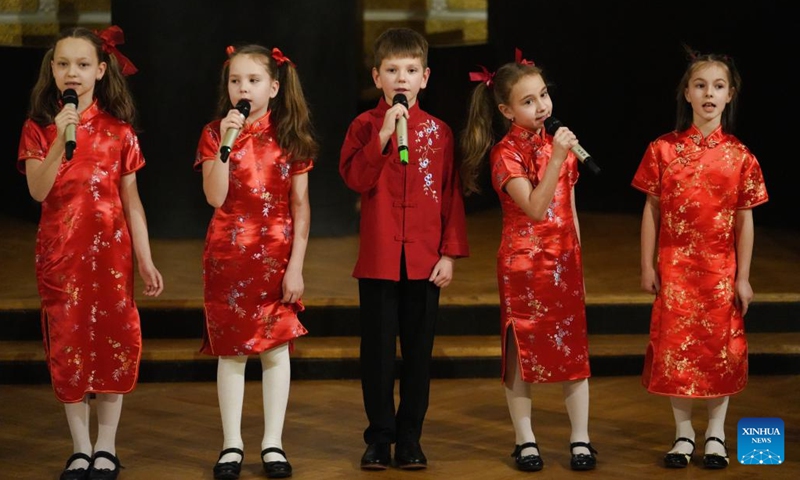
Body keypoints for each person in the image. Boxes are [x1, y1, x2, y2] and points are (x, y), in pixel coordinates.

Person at [17, 26, 163, 480]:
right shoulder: (38, 129)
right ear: (53, 70)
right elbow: (39, 191)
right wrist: (62, 137)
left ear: (101, 70)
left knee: (112, 343)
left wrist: (145, 257)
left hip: (112, 259)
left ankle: (106, 446)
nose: (72, 73)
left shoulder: (120, 133)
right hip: (63, 258)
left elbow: (131, 202)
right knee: (69, 344)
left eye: (83, 65)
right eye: (63, 64)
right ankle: (79, 448)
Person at [459, 49, 596, 472]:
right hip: (523, 265)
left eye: (543, 96)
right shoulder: (505, 154)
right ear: (506, 109)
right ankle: (526, 439)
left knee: (574, 352)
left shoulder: (561, 146)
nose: (541, 107)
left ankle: (580, 438)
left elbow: (567, 209)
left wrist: (579, 264)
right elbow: (536, 208)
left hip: (563, 261)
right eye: (528, 101)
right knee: (521, 352)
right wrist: (556, 156)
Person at [631, 47, 768, 470]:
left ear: (730, 96)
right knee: (676, 352)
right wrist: (647, 265)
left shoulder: (741, 156)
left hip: (720, 271)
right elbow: (651, 209)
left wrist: (743, 277)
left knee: (718, 352)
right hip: (675, 269)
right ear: (686, 94)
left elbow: (744, 220)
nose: (709, 93)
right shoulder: (662, 150)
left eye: (719, 86)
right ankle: (683, 434)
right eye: (700, 85)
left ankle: (715, 435)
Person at [339, 27, 469, 470]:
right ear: (377, 76)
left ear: (425, 77)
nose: (402, 78)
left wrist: (449, 253)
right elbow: (355, 179)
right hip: (379, 260)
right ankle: (379, 437)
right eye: (392, 70)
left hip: (424, 261)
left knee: (418, 354)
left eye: (411, 70)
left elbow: (451, 194)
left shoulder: (440, 132)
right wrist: (383, 135)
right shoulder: (363, 126)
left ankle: (410, 437)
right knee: (376, 355)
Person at [195, 44, 317, 480]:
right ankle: (231, 444)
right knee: (231, 354)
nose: (242, 88)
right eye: (234, 80)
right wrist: (227, 144)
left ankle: (272, 443)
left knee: (276, 351)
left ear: (274, 86)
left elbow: (301, 208)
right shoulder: (215, 133)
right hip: (228, 256)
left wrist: (297, 266)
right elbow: (215, 196)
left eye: (252, 80)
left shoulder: (292, 135)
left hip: (277, 256)